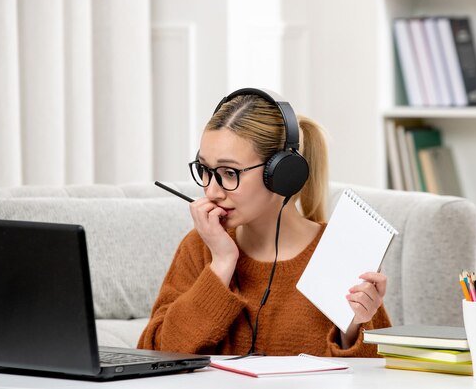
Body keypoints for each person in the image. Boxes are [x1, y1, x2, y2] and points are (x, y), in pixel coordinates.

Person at [138, 89, 391, 357]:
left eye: (229, 173)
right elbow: (153, 355)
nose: (211, 191)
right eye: (204, 170)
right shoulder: (200, 248)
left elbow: (380, 376)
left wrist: (352, 327)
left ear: (281, 174)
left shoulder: (340, 251)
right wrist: (221, 264)